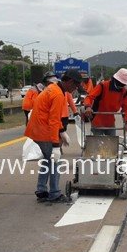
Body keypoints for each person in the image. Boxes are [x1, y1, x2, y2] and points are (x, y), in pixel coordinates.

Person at [25, 69, 82, 203]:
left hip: (37, 129)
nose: (75, 89)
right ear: (69, 82)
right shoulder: (57, 94)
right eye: (75, 85)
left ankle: (41, 190)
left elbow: (52, 116)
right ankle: (55, 193)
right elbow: (53, 120)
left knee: (47, 160)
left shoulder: (54, 88)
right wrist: (56, 145)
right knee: (55, 161)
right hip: (43, 131)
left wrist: (62, 131)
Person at [83, 68, 127, 136]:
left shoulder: (124, 92)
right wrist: (88, 107)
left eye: (123, 84)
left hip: (110, 122)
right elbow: (89, 97)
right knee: (98, 143)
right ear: (115, 79)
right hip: (97, 120)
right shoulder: (103, 86)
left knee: (112, 143)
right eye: (121, 83)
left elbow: (126, 109)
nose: (122, 85)